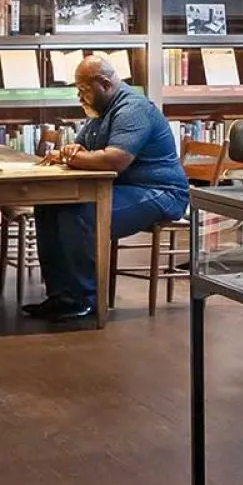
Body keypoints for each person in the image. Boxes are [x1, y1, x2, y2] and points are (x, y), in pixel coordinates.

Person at [28, 52, 189, 321]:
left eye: (84, 90)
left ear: (104, 83)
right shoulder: (101, 111)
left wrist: (71, 156)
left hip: (159, 192)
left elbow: (114, 160)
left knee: (78, 212)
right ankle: (60, 295)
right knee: (49, 205)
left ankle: (84, 298)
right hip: (125, 188)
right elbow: (83, 149)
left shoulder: (132, 109)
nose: (79, 97)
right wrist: (75, 152)